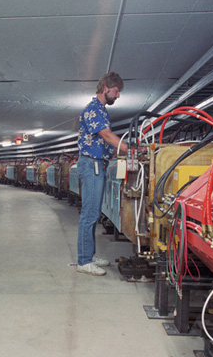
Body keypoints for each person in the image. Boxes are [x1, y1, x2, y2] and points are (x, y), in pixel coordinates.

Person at [76, 72, 129, 276]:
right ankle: (83, 260)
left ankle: (89, 254)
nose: (117, 96)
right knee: (89, 214)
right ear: (106, 88)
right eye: (116, 91)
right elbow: (106, 136)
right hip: (91, 165)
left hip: (97, 164)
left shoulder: (101, 110)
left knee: (94, 214)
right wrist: (127, 148)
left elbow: (105, 141)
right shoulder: (94, 109)